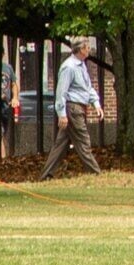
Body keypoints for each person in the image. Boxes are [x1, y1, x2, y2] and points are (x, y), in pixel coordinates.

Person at [39, 37, 104, 180]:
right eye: (87, 47)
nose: (89, 49)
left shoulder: (81, 65)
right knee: (83, 141)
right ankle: (95, 173)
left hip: (78, 107)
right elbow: (61, 92)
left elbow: (87, 88)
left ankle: (45, 175)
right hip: (72, 108)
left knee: (60, 145)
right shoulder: (69, 67)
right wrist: (62, 114)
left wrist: (96, 104)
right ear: (81, 49)